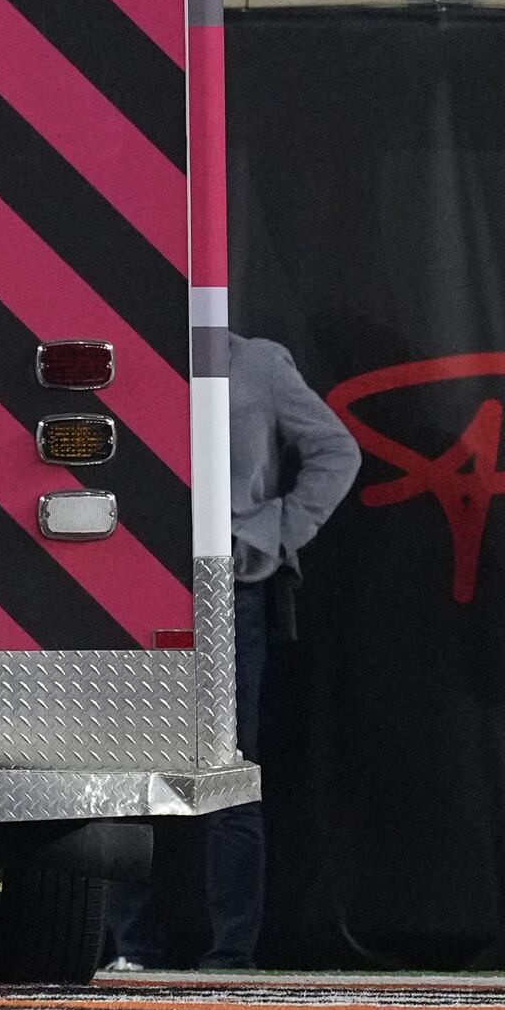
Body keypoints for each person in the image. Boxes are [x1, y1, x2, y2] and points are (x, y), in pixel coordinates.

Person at [108, 325, 354, 970]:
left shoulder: (259, 363)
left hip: (227, 588)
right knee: (119, 773)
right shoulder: (123, 349)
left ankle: (230, 953)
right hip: (129, 582)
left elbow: (335, 450)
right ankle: (132, 949)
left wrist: (274, 532)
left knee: (229, 770)